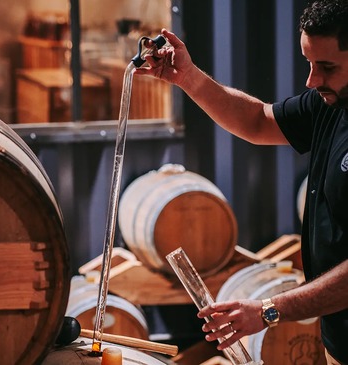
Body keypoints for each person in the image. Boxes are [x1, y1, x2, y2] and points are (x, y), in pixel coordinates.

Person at [135, 1, 348, 364]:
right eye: (309, 64)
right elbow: (257, 121)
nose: (312, 81)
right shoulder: (330, 104)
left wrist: (267, 309)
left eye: (327, 67)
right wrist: (188, 77)